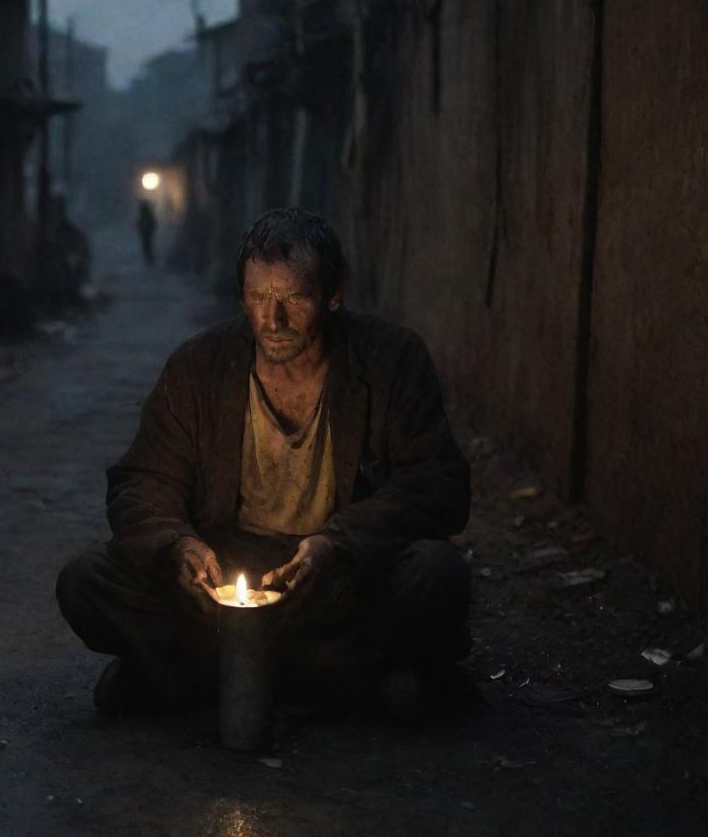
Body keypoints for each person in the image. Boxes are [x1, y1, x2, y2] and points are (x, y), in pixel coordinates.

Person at [57, 208, 471, 722]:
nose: (273, 320)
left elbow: (437, 482)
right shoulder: (198, 367)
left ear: (334, 293)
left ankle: (196, 679)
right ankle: (345, 685)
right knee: (85, 580)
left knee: (437, 575)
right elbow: (143, 480)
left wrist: (338, 542)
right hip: (226, 580)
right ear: (241, 297)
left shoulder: (391, 361)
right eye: (259, 298)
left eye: (294, 298)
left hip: (338, 577)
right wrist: (177, 545)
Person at [137, 199, 157, 266]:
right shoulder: (147, 215)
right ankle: (150, 260)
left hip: (147, 233)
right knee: (147, 247)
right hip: (146, 233)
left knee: (147, 247)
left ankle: (150, 261)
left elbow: (152, 224)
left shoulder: (146, 216)